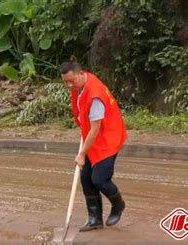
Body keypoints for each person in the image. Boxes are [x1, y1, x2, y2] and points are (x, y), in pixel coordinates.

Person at [60, 60, 127, 231]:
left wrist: (82, 154)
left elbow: (96, 128)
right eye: (65, 82)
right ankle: (95, 219)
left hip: (107, 137)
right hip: (91, 136)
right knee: (85, 178)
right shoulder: (79, 86)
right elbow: (83, 116)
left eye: (71, 81)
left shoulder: (95, 94)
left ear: (80, 73)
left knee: (99, 179)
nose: (69, 85)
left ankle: (118, 204)